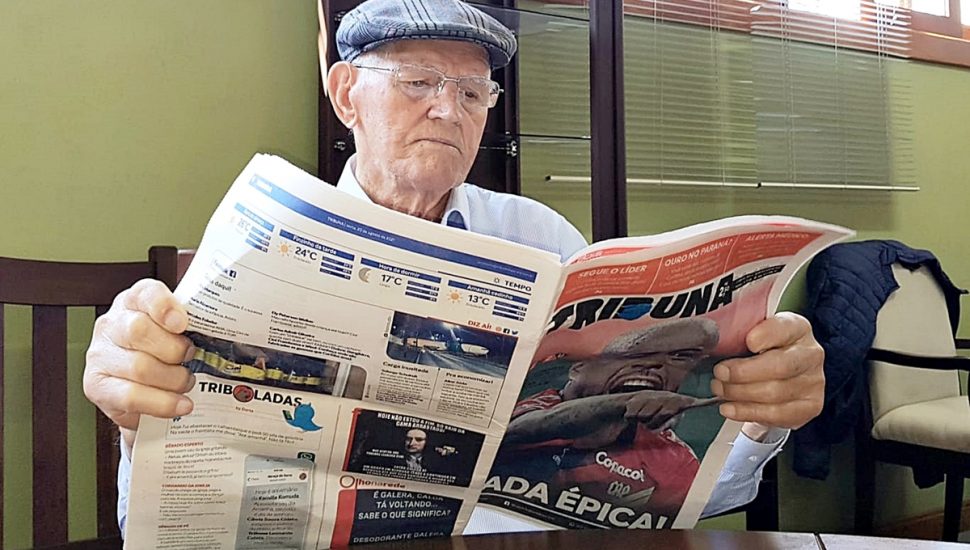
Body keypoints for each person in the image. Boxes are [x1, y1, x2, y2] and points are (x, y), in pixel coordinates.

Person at [82, 0, 826, 536]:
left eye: (473, 92)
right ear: (346, 95)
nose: (449, 110)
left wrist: (757, 418)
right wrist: (136, 413)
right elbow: (160, 514)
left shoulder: (542, 239)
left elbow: (688, 495)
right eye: (418, 82)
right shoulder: (264, 245)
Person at [495, 318, 720, 521]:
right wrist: (629, 401)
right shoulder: (541, 404)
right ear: (578, 369)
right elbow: (522, 429)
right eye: (634, 355)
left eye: (676, 359)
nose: (654, 366)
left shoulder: (675, 459)